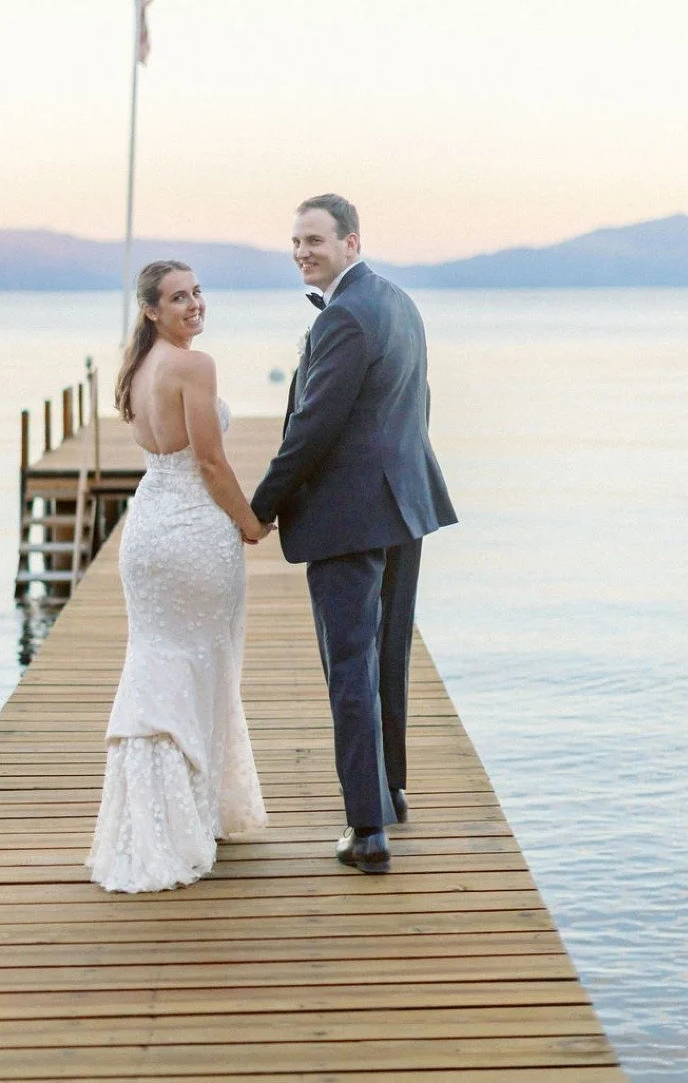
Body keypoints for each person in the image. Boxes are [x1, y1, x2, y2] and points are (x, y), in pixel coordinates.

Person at [251, 195, 457, 874]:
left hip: (351, 518)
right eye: (295, 241)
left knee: (350, 669)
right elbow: (418, 404)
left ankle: (366, 831)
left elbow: (314, 427)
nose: (302, 251)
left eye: (314, 239)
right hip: (404, 506)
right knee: (386, 657)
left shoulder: (344, 316)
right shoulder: (399, 301)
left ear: (351, 241)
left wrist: (262, 506)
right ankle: (389, 792)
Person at [87, 260, 270, 893]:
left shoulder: (138, 368)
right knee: (200, 664)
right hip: (193, 531)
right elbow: (212, 465)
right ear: (151, 310)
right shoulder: (194, 366)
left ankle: (169, 813)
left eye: (197, 292)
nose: (194, 304)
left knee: (157, 661)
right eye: (177, 297)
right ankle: (180, 819)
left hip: (148, 528)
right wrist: (252, 524)